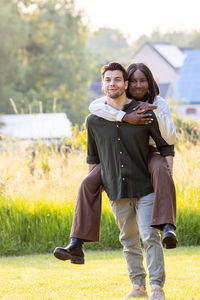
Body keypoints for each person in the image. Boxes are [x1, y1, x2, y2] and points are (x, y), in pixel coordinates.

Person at [53, 63, 177, 266]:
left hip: (149, 151)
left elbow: (168, 141)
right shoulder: (105, 108)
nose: (138, 85)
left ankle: (167, 226)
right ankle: (76, 243)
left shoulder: (158, 104)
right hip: (121, 157)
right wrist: (125, 117)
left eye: (142, 81)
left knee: (161, 170)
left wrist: (154, 112)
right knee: (87, 183)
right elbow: (93, 111)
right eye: (134, 81)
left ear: (149, 82)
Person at [87, 62, 173, 299]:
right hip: (116, 188)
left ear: (124, 84)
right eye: (108, 80)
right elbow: (93, 158)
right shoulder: (93, 119)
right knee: (128, 239)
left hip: (145, 186)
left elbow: (165, 146)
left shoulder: (144, 110)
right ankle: (138, 287)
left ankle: (156, 287)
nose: (112, 83)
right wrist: (95, 185)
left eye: (117, 79)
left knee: (149, 235)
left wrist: (167, 176)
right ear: (103, 84)